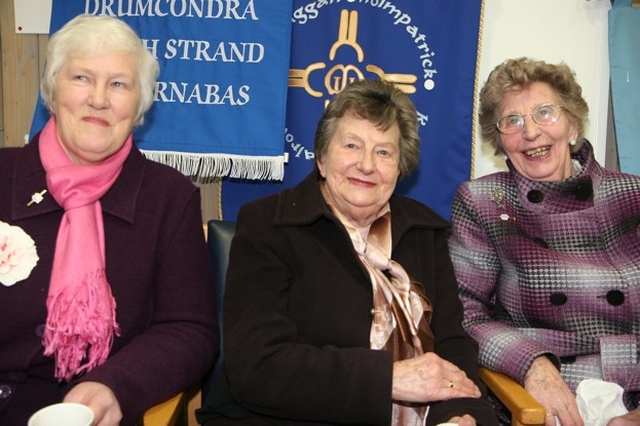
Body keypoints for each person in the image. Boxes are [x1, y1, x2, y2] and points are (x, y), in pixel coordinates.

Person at [197, 79, 498, 426]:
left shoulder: (425, 233)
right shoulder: (268, 225)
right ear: (322, 159)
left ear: (400, 168)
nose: (367, 165)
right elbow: (256, 364)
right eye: (352, 145)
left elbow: (452, 347)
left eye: (384, 152)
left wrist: (461, 417)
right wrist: (389, 379)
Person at [0, 14, 219, 425]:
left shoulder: (169, 198)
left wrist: (115, 386)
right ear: (52, 90)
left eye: (118, 84)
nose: (98, 99)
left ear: (139, 106)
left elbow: (190, 329)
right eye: (82, 77)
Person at [448, 57, 640, 426]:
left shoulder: (631, 194)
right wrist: (532, 363)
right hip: (551, 396)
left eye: (544, 113)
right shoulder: (483, 201)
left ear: (573, 125)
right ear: (500, 140)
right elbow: (464, 313)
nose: (531, 132)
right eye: (513, 121)